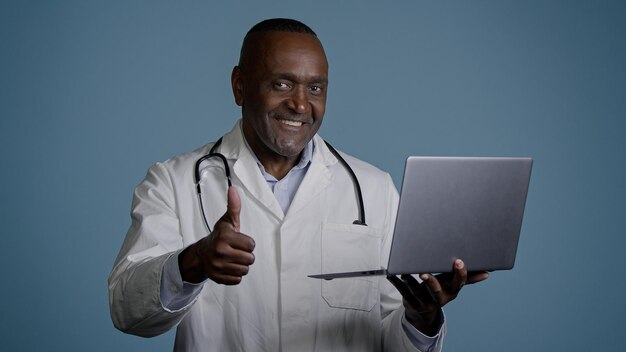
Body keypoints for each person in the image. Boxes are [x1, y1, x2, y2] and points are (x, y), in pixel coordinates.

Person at [108, 18, 488, 351]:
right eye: (283, 83)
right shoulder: (173, 181)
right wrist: (194, 262)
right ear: (240, 86)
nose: (301, 105)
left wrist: (420, 318)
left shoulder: (374, 189)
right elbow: (126, 311)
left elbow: (391, 340)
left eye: (316, 89)